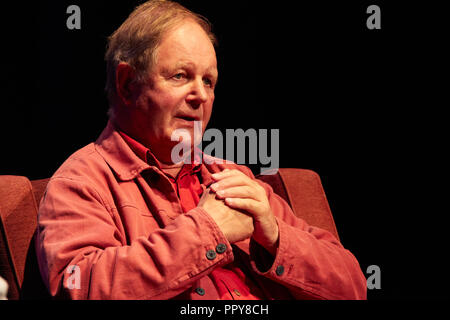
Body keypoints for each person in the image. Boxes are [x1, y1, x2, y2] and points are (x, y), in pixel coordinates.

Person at [35, 0, 366, 300]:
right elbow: (77, 286)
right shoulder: (82, 181)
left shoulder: (233, 177)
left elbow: (352, 285)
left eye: (208, 81)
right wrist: (207, 230)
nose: (201, 96)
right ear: (127, 84)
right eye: (181, 76)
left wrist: (277, 238)